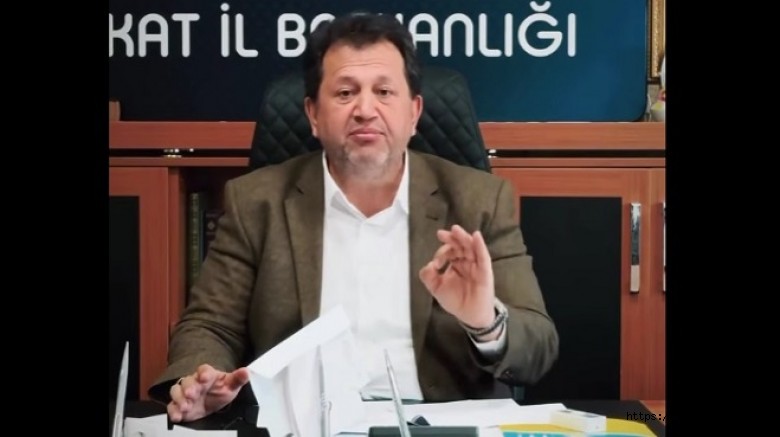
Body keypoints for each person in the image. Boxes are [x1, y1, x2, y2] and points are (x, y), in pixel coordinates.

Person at [150, 11, 559, 423]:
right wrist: (199, 379)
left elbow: (538, 348)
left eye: (384, 91)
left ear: (414, 112)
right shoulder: (257, 202)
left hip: (437, 425)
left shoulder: (479, 201)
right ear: (313, 114)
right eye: (345, 93)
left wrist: (485, 322)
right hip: (306, 425)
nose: (365, 109)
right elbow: (210, 326)